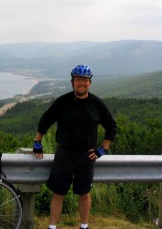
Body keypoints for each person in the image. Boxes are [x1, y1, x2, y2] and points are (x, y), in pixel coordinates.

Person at [33, 64, 118, 229]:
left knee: (84, 194)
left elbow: (112, 127)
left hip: (86, 156)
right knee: (58, 193)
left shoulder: (96, 103)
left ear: (90, 83)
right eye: (79, 80)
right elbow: (45, 120)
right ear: (72, 82)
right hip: (64, 154)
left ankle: (84, 226)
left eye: (85, 80)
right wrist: (37, 142)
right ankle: (52, 227)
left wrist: (103, 149)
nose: (82, 83)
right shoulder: (63, 102)